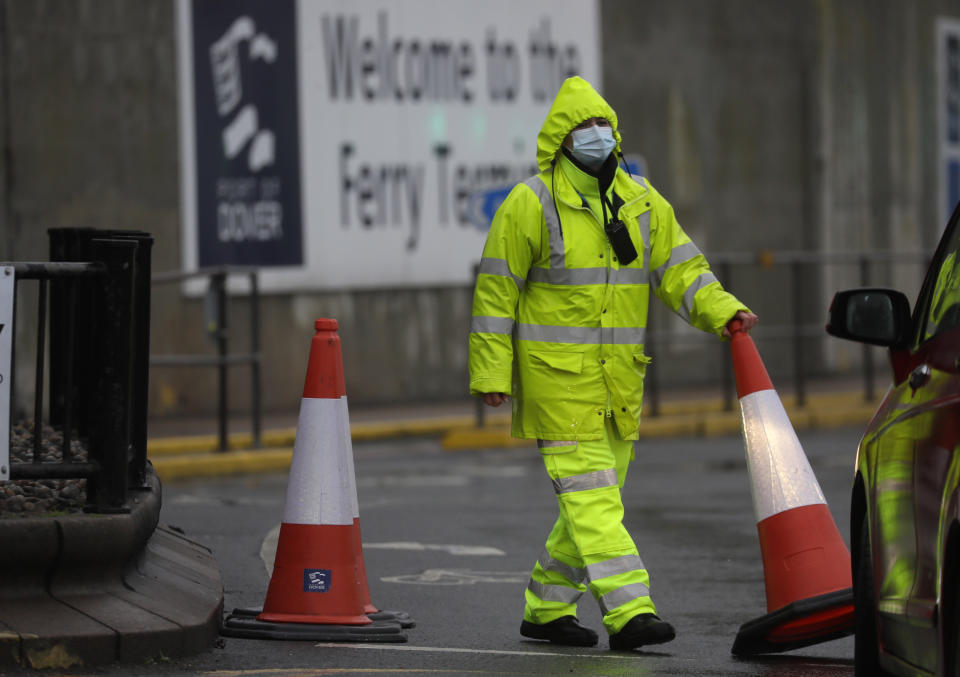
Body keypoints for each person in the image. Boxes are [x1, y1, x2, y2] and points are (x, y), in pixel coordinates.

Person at [467, 76, 758, 651]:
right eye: (581, 127)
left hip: (618, 381)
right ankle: (632, 614)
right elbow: (496, 292)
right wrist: (492, 374)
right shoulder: (531, 202)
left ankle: (546, 609)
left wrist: (724, 311)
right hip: (558, 384)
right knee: (595, 498)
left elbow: (682, 270)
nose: (595, 135)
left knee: (598, 500)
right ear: (560, 139)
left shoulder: (642, 201)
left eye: (602, 124)